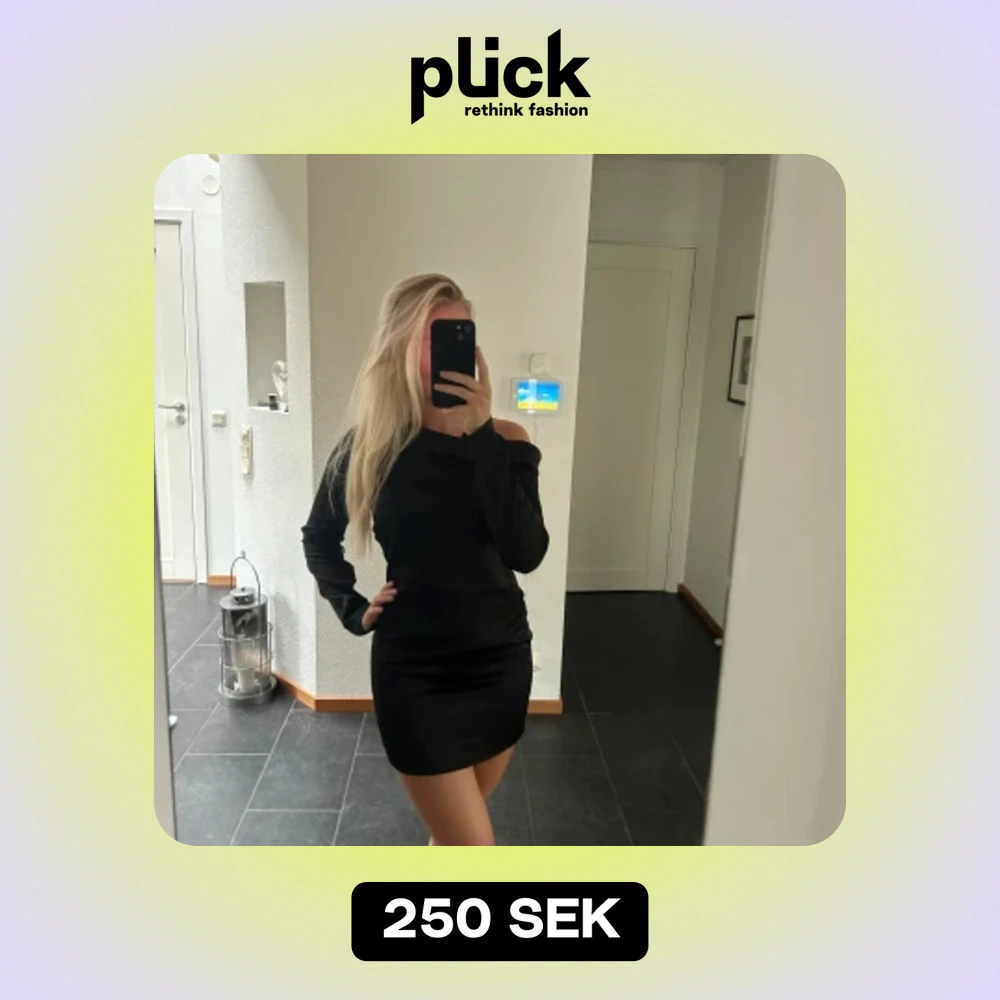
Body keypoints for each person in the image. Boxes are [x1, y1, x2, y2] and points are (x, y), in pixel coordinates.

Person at [301, 273, 549, 846]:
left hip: (500, 662)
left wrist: (482, 436)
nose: (447, 354)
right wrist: (352, 608)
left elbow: (526, 552)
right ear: (401, 348)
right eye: (432, 339)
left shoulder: (507, 441)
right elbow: (319, 537)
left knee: (452, 840)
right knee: (471, 848)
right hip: (415, 675)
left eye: (459, 337)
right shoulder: (370, 447)